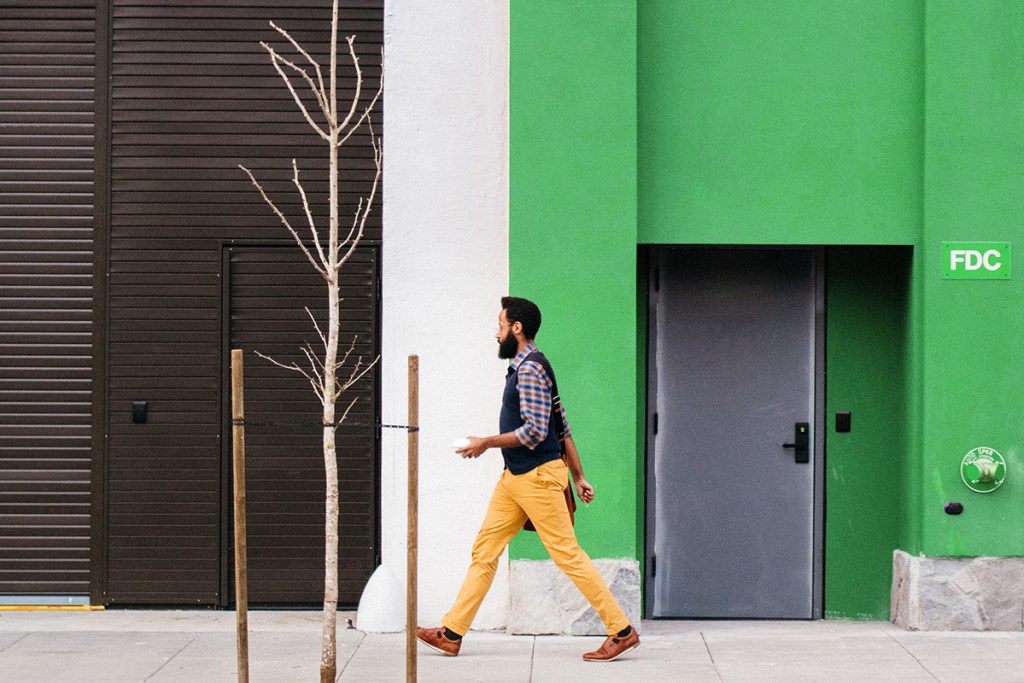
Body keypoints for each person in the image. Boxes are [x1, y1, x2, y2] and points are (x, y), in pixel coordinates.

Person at [416, 296, 640, 662]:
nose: (497, 333)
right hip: (516, 479)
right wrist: (579, 475)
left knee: (568, 556)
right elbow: (561, 424)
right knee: (485, 552)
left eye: (501, 326)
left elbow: (538, 431)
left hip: (536, 477)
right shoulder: (529, 367)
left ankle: (621, 629)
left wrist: (486, 442)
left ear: (516, 328)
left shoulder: (531, 370)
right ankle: (452, 632)